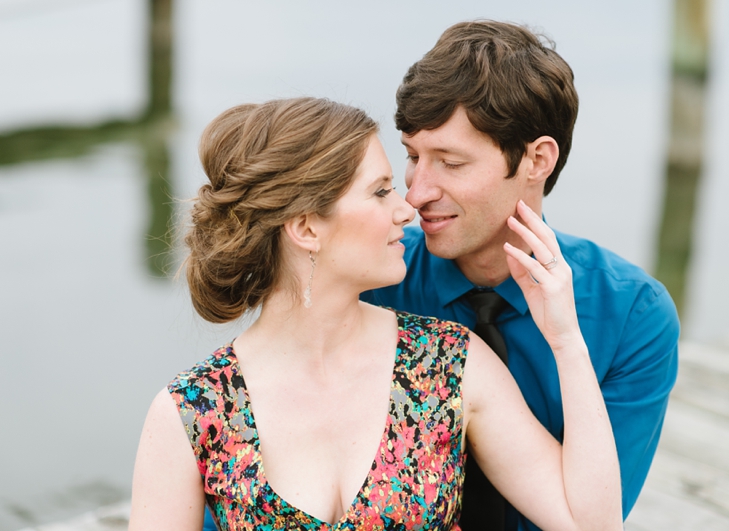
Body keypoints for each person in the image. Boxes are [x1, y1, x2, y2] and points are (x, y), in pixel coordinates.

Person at [129, 97, 623, 531]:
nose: (407, 207)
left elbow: (591, 524)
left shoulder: (448, 362)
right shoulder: (192, 411)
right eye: (381, 190)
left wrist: (565, 340)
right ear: (305, 227)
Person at [362, 20, 681, 531]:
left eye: (451, 162)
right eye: (413, 156)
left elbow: (594, 518)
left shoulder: (633, 316)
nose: (416, 193)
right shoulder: (376, 277)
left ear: (537, 159)